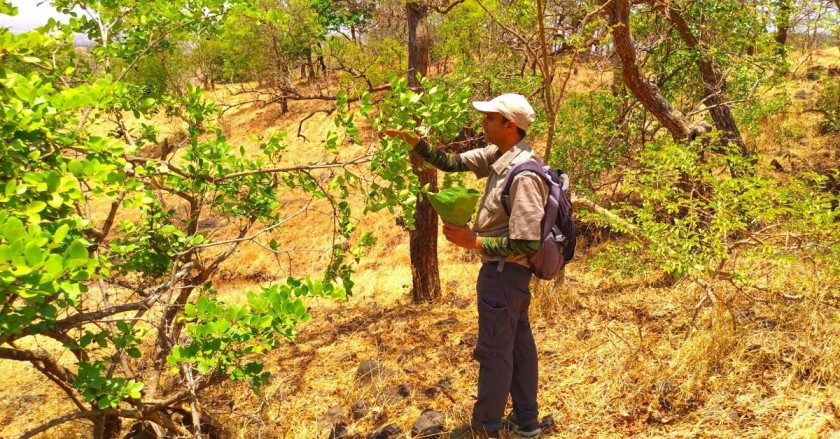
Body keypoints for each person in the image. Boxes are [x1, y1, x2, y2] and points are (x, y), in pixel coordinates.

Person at [385, 93, 547, 439]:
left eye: (490, 118)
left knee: (494, 351)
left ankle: (485, 428)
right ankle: (526, 422)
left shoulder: (523, 175)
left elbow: (528, 242)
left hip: (505, 274)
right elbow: (450, 162)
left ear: (510, 125)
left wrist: (473, 242)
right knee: (517, 346)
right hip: (505, 276)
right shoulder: (497, 156)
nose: (483, 122)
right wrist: (416, 142)